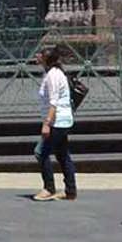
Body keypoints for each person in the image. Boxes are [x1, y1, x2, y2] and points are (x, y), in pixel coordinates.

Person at [32, 44, 77, 202]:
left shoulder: (52, 76)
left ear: (46, 59)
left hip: (56, 122)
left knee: (41, 152)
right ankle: (70, 190)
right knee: (63, 154)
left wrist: (47, 123)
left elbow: (53, 102)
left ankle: (49, 188)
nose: (37, 56)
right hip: (63, 120)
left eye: (41, 55)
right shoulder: (56, 73)